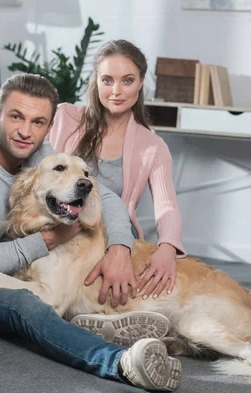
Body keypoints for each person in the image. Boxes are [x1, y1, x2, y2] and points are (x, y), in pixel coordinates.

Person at [0, 74, 181, 392]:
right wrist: (51, 239)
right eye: (16, 117)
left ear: (48, 126)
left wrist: (120, 248)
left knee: (56, 289)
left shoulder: (39, 152)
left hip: (10, 263)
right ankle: (122, 363)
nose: (26, 132)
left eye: (38, 122)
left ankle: (96, 324)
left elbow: (105, 196)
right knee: (28, 307)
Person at [48, 40, 185, 308]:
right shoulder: (65, 117)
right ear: (96, 81)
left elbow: (167, 206)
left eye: (127, 80)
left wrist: (168, 246)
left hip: (111, 238)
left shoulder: (152, 146)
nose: (116, 91)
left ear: (141, 83)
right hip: (61, 228)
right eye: (107, 80)